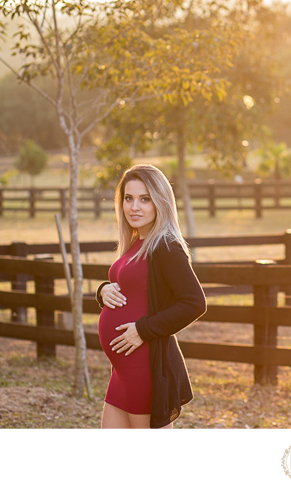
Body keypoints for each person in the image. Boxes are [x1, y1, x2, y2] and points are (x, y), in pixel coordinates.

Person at [96, 164, 207, 429]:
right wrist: (103, 290)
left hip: (143, 369)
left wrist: (143, 330)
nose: (134, 207)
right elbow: (132, 288)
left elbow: (194, 303)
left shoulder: (165, 246)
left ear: (160, 202)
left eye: (144, 199)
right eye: (129, 198)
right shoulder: (137, 242)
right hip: (122, 372)